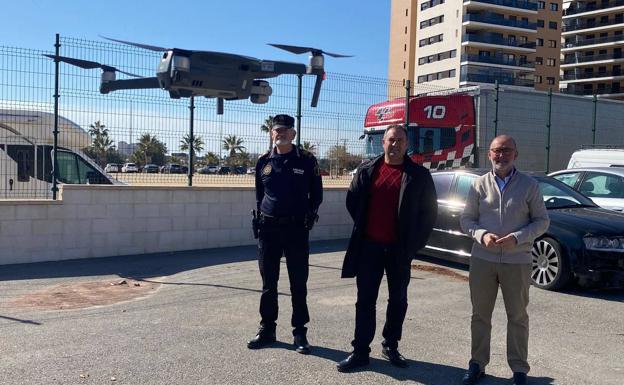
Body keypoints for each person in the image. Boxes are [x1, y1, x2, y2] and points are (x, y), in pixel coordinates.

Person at [336, 124, 438, 372]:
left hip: (399, 250)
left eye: (400, 141)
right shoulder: (368, 170)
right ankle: (360, 351)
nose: (395, 145)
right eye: (391, 140)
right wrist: (364, 228)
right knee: (365, 300)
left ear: (407, 144)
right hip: (369, 247)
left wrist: (412, 246)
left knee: (398, 300)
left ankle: (391, 345)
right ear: (383, 142)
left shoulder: (419, 175)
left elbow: (429, 213)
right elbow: (353, 201)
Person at [459, 135, 549, 385]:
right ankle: (477, 364)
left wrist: (518, 238)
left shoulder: (529, 185)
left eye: (507, 150)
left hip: (517, 261)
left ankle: (519, 369)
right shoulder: (479, 185)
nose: (501, 155)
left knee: (518, 316)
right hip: (482, 260)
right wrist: (481, 235)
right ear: (489, 155)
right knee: (480, 315)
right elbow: (466, 219)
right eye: (497, 151)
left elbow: (542, 221)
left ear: (515, 155)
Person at [247, 114, 323, 355]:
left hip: (296, 230)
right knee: (269, 283)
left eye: (284, 130)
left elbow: (317, 194)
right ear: (272, 134)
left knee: (298, 283)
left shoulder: (307, 160)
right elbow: (260, 195)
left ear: (293, 134)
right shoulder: (263, 162)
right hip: (268, 229)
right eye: (276, 130)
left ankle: (300, 332)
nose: (280, 134)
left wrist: (308, 216)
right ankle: (267, 329)